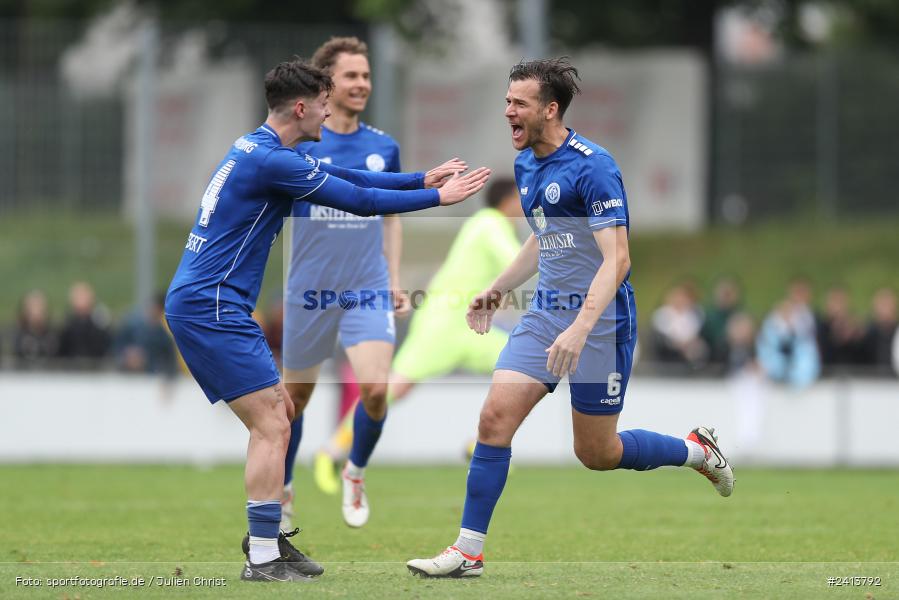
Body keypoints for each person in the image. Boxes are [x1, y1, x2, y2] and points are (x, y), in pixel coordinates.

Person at [164, 58, 490, 584]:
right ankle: (264, 557)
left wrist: (416, 177)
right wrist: (437, 197)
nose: (328, 109)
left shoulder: (259, 148)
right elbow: (358, 200)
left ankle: (269, 541)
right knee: (273, 421)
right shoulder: (273, 161)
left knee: (279, 413)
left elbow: (343, 175)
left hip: (208, 302)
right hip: (213, 306)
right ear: (301, 106)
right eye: (322, 101)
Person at [407, 58, 733, 579]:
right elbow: (545, 237)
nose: (507, 111)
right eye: (507, 101)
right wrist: (496, 290)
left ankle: (695, 451)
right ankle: (468, 551)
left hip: (600, 323)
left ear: (550, 109)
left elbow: (618, 259)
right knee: (493, 420)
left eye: (519, 103)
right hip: (544, 316)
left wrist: (581, 327)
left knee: (598, 452)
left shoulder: (593, 166)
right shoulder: (527, 165)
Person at [312, 177, 524, 495]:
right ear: (508, 200)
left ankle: (482, 444)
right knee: (392, 391)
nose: (525, 204)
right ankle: (331, 450)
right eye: (521, 197)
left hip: (468, 326)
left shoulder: (493, 226)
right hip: (442, 324)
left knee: (523, 374)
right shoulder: (489, 224)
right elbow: (518, 263)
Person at [279, 37, 414, 530]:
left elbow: (393, 215)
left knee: (375, 391)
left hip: (366, 285)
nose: (362, 84)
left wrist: (395, 278)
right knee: (293, 403)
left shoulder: (383, 147)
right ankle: (285, 486)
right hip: (310, 291)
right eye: (351, 76)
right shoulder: (298, 143)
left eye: (366, 75)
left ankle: (354, 470)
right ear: (326, 84)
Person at [57, 281, 112, 368]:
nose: (81, 301)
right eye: (78, 297)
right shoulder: (67, 325)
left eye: (84, 296)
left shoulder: (100, 323)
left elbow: (106, 347)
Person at [12, 289, 58, 369]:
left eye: (39, 306)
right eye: (33, 306)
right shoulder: (19, 336)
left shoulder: (52, 335)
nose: (36, 311)